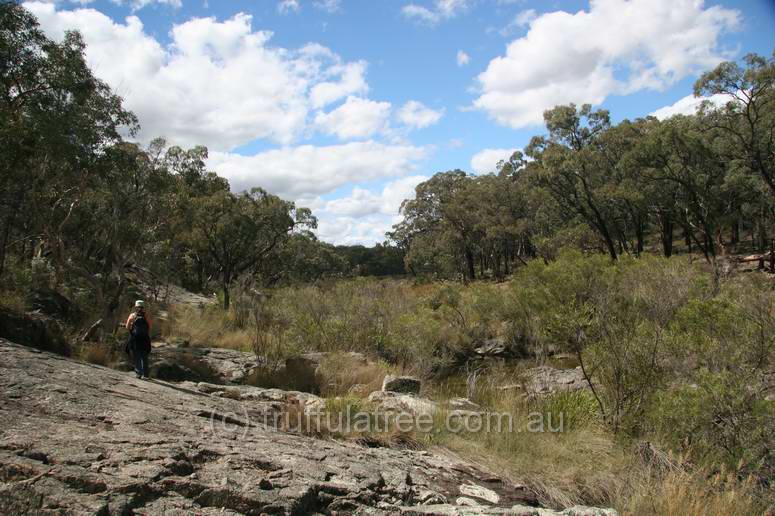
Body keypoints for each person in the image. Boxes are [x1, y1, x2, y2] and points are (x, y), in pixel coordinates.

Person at [125, 300, 152, 379]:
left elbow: (127, 327)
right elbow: (150, 327)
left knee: (137, 356)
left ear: (135, 307)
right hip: (145, 339)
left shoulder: (132, 316)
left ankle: (139, 373)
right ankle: (146, 375)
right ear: (143, 307)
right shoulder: (147, 316)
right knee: (144, 356)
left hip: (135, 338)